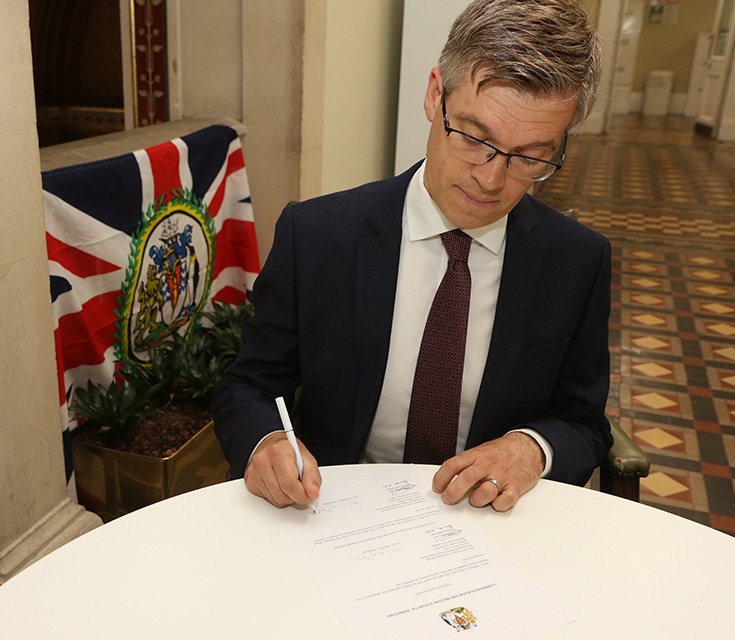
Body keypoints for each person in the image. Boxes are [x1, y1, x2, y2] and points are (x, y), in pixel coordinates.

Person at [213, 0, 612, 513]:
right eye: (474, 137)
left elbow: (583, 423)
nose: (490, 180)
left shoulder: (576, 261)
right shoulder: (316, 236)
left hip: (483, 519)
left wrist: (531, 449)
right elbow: (248, 384)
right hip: (332, 509)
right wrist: (265, 442)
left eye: (531, 157)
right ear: (433, 96)